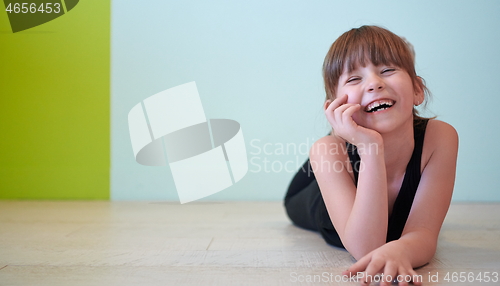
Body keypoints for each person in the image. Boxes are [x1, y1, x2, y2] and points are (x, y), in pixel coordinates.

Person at [284, 25, 458, 286]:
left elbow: (423, 233)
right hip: (317, 185)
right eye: (354, 79)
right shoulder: (327, 150)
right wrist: (369, 147)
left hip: (350, 152)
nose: (375, 83)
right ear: (334, 107)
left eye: (388, 70)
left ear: (417, 89)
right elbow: (366, 248)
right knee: (325, 150)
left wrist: (402, 249)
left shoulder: (440, 138)